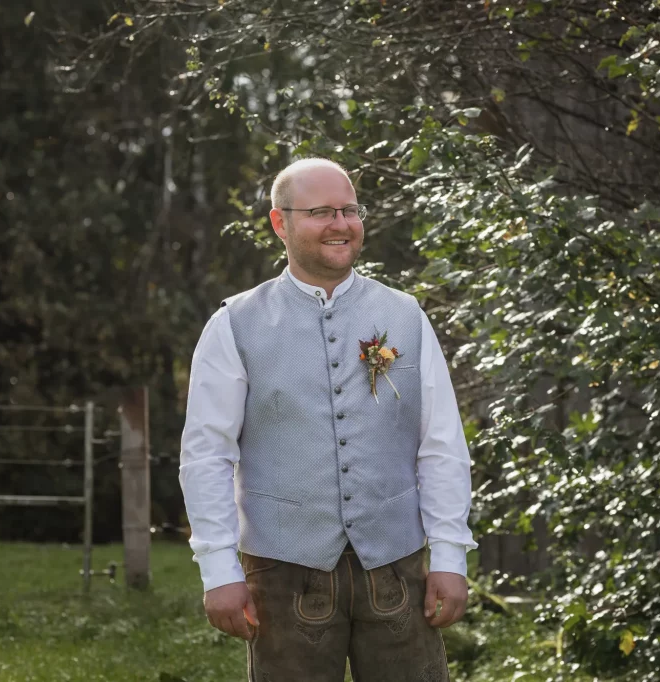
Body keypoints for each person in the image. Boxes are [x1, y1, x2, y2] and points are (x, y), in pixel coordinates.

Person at [178, 157, 477, 681]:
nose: (341, 224)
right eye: (320, 212)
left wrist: (450, 556)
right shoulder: (235, 324)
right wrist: (217, 570)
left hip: (396, 566)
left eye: (349, 210)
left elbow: (441, 444)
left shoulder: (406, 315)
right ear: (280, 223)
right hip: (283, 572)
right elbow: (207, 456)